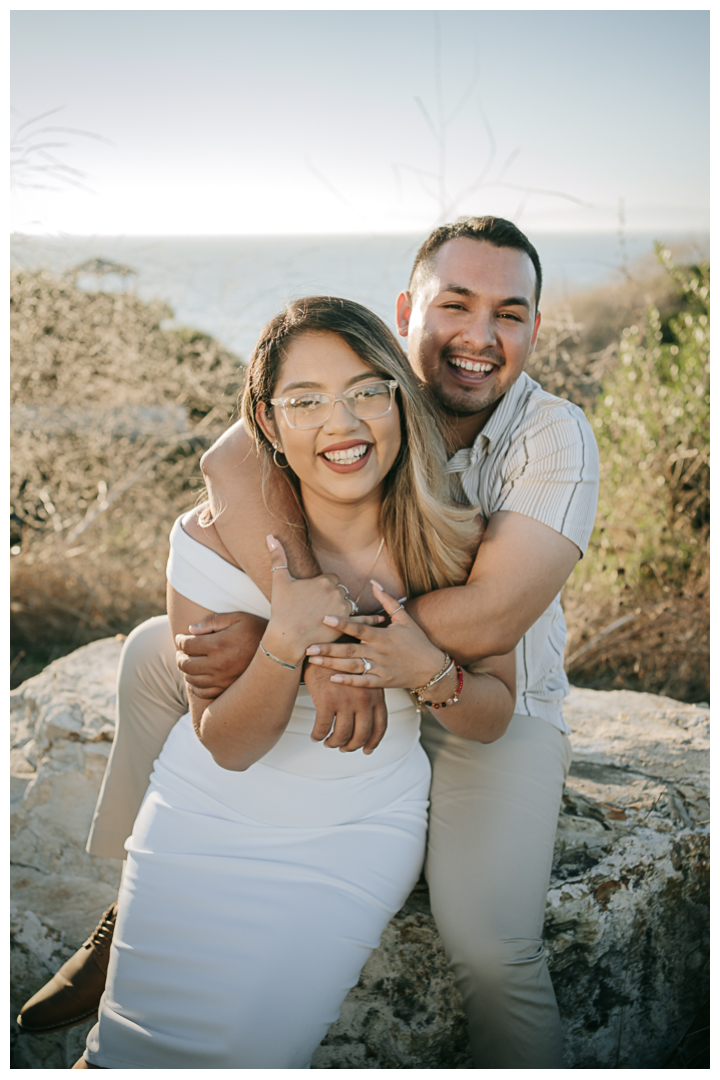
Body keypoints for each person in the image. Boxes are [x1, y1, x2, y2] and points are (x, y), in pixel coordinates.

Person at [19, 217, 599, 1068]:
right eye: (456, 305)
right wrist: (280, 630)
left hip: (478, 692)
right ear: (407, 311)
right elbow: (230, 462)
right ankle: (126, 915)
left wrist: (317, 643)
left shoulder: (551, 436)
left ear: (535, 329)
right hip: (348, 655)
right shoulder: (359, 384)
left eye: (510, 314)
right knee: (158, 649)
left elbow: (488, 620)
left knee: (491, 944)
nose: (480, 337)